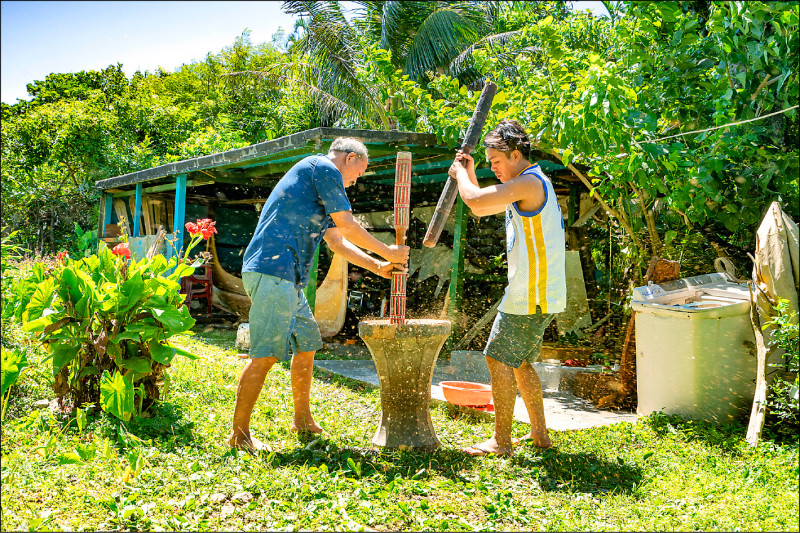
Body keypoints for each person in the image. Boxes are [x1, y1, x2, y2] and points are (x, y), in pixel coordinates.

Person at [228, 137, 410, 452]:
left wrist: (379, 265)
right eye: (358, 174)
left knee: (307, 346)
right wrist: (390, 251)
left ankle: (301, 418)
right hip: (274, 273)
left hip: (288, 278)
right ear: (350, 158)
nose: (354, 182)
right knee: (267, 354)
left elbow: (338, 242)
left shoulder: (317, 185)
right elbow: (349, 225)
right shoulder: (323, 167)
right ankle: (239, 435)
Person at [447, 119, 566, 456]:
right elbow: (482, 207)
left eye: (496, 162)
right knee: (518, 363)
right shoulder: (526, 183)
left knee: (497, 358)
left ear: (515, 155)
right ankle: (540, 435)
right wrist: (468, 174)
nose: (493, 169)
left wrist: (461, 175)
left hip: (531, 292)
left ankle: (501, 441)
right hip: (537, 291)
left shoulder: (528, 182)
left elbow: (474, 200)